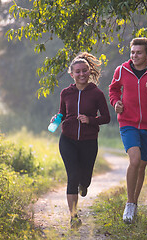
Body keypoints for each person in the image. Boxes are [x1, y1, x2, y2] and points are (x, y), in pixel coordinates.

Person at [109, 37, 147, 224]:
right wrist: (116, 103)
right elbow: (113, 90)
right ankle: (128, 204)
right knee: (134, 160)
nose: (134, 56)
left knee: (142, 165)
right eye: (132, 52)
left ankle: (134, 203)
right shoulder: (121, 70)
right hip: (127, 122)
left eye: (138, 53)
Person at [51, 52, 110, 228]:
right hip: (67, 140)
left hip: (89, 141)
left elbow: (106, 117)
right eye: (78, 71)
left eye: (85, 71)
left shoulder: (97, 93)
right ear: (72, 74)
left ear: (89, 72)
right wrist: (56, 118)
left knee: (85, 180)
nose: (82, 74)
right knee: (73, 176)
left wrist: (90, 120)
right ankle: (73, 217)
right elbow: (62, 112)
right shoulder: (66, 93)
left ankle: (84, 185)